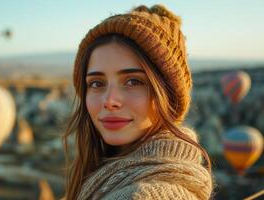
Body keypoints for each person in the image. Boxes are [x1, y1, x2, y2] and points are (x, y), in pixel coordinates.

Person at [62, 4, 214, 200]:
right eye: (97, 83)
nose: (110, 101)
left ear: (170, 94)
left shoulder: (143, 195)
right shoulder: (105, 178)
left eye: (134, 81)